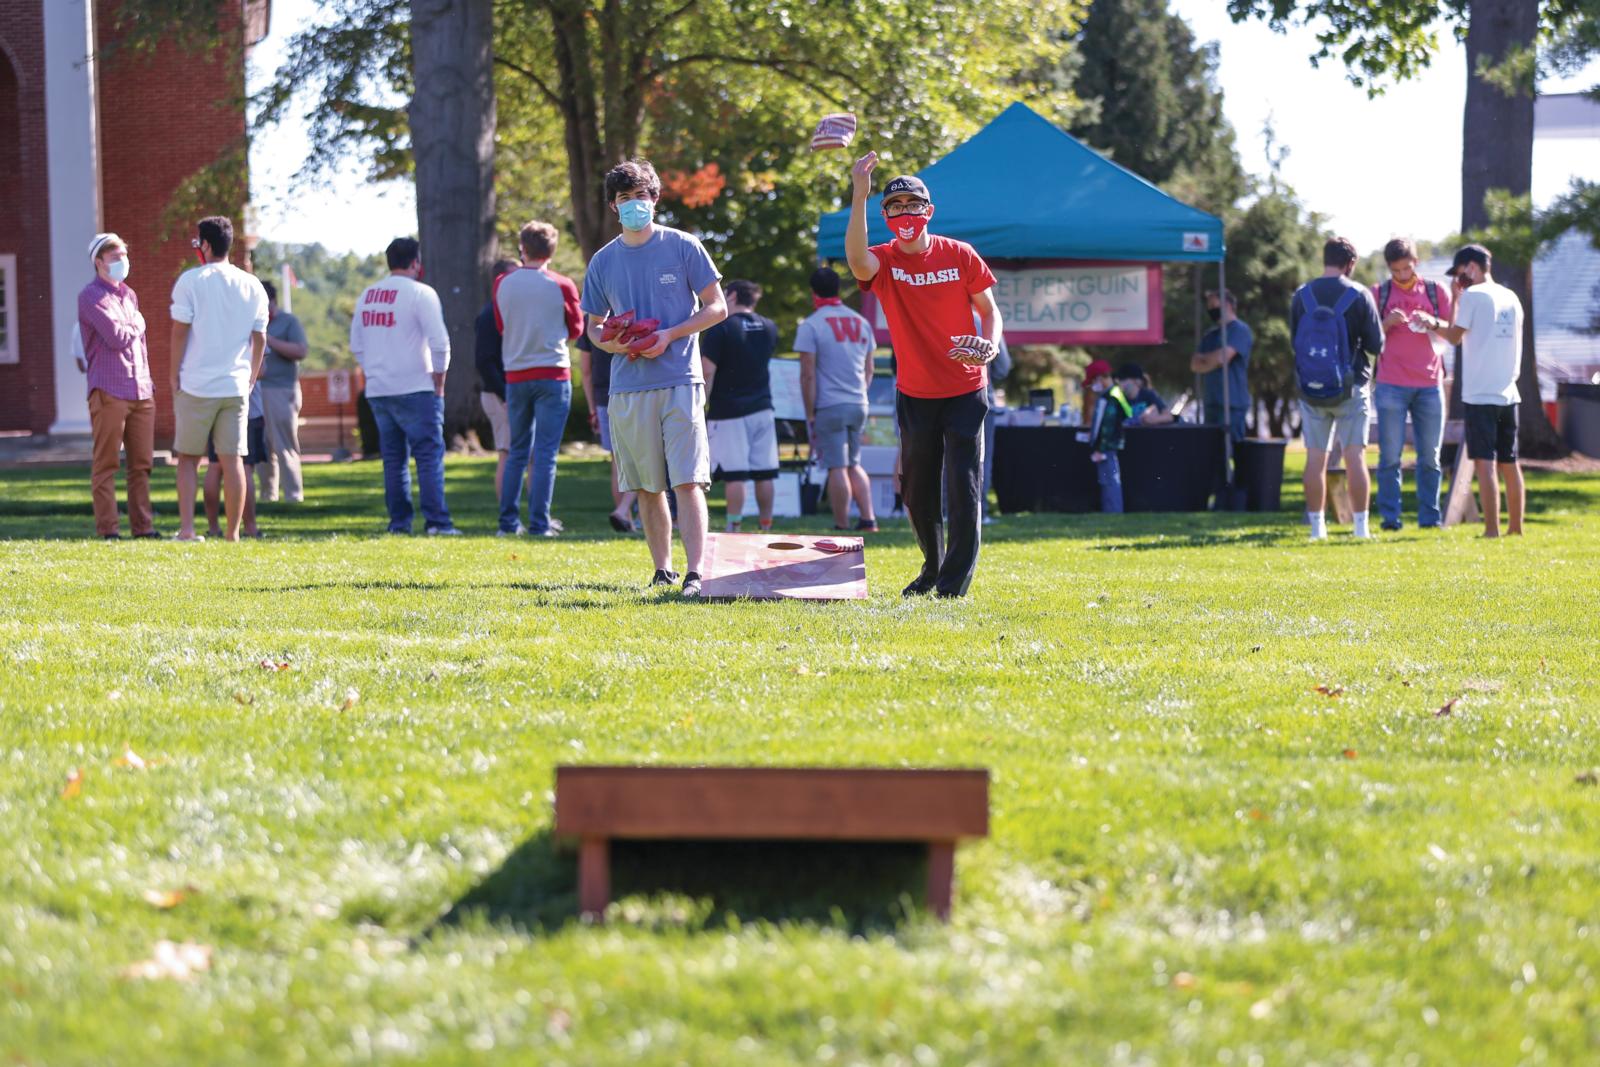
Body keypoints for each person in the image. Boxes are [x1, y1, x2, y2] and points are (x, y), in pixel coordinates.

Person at [845, 156, 1002, 598]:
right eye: (895, 206)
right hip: (915, 391)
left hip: (966, 387)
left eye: (913, 204)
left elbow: (989, 312)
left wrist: (988, 346)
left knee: (963, 485)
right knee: (916, 490)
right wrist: (860, 193)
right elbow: (856, 260)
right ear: (887, 216)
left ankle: (953, 585)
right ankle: (931, 568)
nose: (905, 213)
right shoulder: (884, 260)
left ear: (928, 211)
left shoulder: (959, 254)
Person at [580, 159, 727, 596]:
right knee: (646, 484)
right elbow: (592, 328)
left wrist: (669, 335)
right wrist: (617, 343)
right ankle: (662, 570)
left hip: (681, 378)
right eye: (624, 199)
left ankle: (696, 572)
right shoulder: (603, 261)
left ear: (655, 199)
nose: (633, 205)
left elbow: (716, 307)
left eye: (640, 196)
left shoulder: (684, 246)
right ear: (613, 205)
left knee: (687, 479)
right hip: (628, 386)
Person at [1411, 243, 1525, 538]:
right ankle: (1516, 528)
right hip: (1508, 391)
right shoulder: (1511, 297)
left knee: (1484, 462)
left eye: (1461, 274)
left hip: (1479, 393)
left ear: (1472, 267)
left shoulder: (1472, 296)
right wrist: (1437, 320)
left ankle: (1491, 530)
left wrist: (1454, 300)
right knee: (1510, 462)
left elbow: (1454, 337)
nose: (1459, 280)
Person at [349, 236, 459, 535]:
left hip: (380, 388)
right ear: (415, 262)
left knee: (393, 459)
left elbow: (356, 345)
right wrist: (440, 379)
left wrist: (373, 370)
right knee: (428, 456)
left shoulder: (368, 295)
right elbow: (439, 342)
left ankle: (399, 523)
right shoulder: (421, 293)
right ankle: (437, 522)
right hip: (417, 385)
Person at [169, 216, 268, 542]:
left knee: (188, 460)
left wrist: (173, 375)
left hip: (196, 383)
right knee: (233, 461)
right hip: (236, 384)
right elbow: (260, 339)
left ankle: (187, 530)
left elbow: (179, 333)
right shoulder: (252, 284)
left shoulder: (190, 281)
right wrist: (251, 376)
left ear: (206, 244)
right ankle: (233, 533)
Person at [1290, 236, 1385, 540]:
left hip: (1311, 388)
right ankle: (1360, 528)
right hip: (1351, 386)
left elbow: (1295, 341)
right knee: (1355, 457)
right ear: (1350, 263)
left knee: (1315, 458)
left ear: (1325, 259)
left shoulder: (1302, 295)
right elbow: (1376, 344)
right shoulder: (1359, 295)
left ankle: (1318, 528)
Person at [495, 221, 583, 537]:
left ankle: (507, 522)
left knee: (517, 451)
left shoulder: (503, 283)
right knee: (545, 454)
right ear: (552, 250)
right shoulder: (561, 284)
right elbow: (576, 329)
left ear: (523, 247)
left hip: (516, 373)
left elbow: (502, 325)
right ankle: (539, 523)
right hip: (552, 372)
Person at [78, 233, 157, 539]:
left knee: (141, 466)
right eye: (115, 257)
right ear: (98, 262)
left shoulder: (129, 295)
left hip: (141, 389)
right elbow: (116, 337)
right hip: (108, 389)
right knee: (106, 464)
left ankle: (143, 527)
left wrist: (148, 381)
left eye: (124, 254)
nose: (122, 262)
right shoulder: (90, 296)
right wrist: (138, 323)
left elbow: (137, 343)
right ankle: (108, 530)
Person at [1371, 238, 1451, 531]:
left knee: (1429, 457)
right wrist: (1385, 323)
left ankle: (1430, 518)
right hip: (1390, 383)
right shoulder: (1378, 293)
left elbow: (1453, 331)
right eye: (1397, 270)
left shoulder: (1435, 291)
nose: (1403, 275)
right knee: (1390, 456)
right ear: (1389, 268)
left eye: (1407, 268)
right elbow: (1366, 339)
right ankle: (1390, 519)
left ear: (1415, 262)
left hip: (1430, 384)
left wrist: (1432, 321)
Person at [795, 266, 877, 532]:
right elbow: (869, 368)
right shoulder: (861, 321)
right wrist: (861, 393)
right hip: (858, 402)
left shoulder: (811, 325)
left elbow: (807, 375)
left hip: (830, 404)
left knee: (836, 467)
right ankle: (868, 519)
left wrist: (809, 413)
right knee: (855, 464)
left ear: (812, 292)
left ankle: (841, 524)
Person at [701, 279, 780, 533]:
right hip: (763, 408)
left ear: (732, 296)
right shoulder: (769, 326)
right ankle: (766, 525)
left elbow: (707, 371)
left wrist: (700, 406)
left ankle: (733, 527)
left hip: (728, 411)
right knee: (765, 472)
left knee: (736, 474)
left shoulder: (720, 329)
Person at [577, 330, 638, 532]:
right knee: (642, 457)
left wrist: (592, 408)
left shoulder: (592, 321)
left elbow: (585, 370)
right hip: (633, 392)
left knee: (617, 461)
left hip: (603, 397)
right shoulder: (631, 310)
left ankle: (626, 518)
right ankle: (624, 511)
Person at [257, 280, 308, 503]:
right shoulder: (253, 322)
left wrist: (269, 340)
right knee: (263, 446)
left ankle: (294, 495)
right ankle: (268, 496)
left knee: (285, 444)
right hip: (258, 391)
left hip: (282, 390)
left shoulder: (288, 322)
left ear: (273, 301)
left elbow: (300, 350)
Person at [475, 257, 520, 496]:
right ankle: (508, 517)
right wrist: (505, 393)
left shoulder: (508, 309)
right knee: (507, 451)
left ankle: (538, 517)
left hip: (509, 391)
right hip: (499, 394)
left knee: (527, 454)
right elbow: (483, 361)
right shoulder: (491, 313)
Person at [203, 383, 267, 538]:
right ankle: (249, 528)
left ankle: (213, 528)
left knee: (214, 465)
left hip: (213, 403)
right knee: (244, 467)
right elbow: (262, 370)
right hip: (244, 409)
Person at [1190, 289, 1252, 440]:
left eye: (1213, 304)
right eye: (1208, 305)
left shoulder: (1240, 330)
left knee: (1232, 448)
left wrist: (1209, 360)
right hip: (1211, 403)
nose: (1210, 309)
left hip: (1232, 404)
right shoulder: (1210, 335)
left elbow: (1223, 358)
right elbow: (1195, 365)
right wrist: (1214, 360)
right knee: (1212, 452)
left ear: (1228, 305)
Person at [1084, 359, 1132, 513]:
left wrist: (1100, 448)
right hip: (1105, 447)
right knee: (1106, 480)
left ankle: (1114, 511)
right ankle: (1109, 511)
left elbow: (1109, 426)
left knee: (1111, 481)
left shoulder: (1112, 396)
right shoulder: (1107, 395)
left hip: (1107, 448)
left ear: (1100, 378)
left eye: (1093, 381)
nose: (1092, 386)